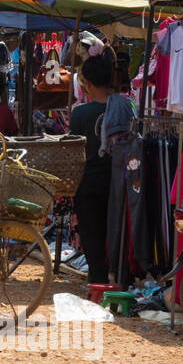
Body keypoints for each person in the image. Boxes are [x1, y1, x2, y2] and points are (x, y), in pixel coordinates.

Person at [69, 57, 115, 289]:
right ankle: (117, 275)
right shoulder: (125, 107)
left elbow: (72, 150)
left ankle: (97, 277)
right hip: (117, 179)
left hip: (87, 179)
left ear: (85, 82)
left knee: (90, 230)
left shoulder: (79, 113)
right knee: (114, 228)